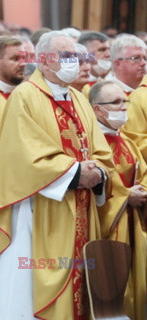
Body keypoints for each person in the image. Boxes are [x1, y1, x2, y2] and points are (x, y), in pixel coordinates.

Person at [0, 31, 114, 319]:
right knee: (27, 290)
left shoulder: (78, 97)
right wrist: (75, 173)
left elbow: (100, 150)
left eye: (75, 55)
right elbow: (22, 156)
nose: (73, 62)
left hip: (79, 208)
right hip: (39, 208)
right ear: (45, 61)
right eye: (66, 56)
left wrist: (97, 171)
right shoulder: (25, 96)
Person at [89, 81, 147, 320]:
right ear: (96, 110)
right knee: (113, 280)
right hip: (109, 226)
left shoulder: (126, 141)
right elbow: (95, 181)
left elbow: (142, 171)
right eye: (115, 103)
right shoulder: (91, 144)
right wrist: (125, 195)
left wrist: (142, 190)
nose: (123, 108)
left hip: (135, 222)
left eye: (124, 101)